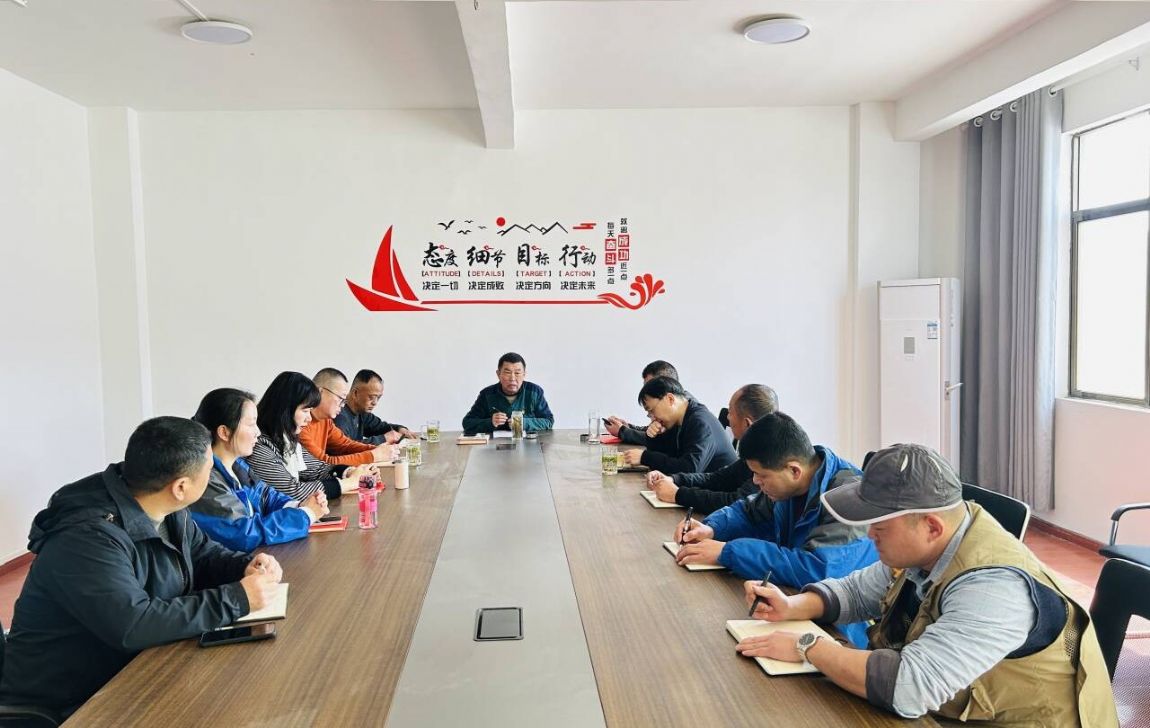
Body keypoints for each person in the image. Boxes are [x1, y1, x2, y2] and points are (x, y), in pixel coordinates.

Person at [736, 444, 1118, 726]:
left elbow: (909, 688)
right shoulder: (933, 543)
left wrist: (807, 645)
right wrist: (794, 606)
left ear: (931, 527)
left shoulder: (994, 588)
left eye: (879, 525)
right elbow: (859, 590)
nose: (869, 534)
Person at [0, 417, 284, 714]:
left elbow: (203, 554)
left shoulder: (167, 506)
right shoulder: (86, 538)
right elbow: (133, 624)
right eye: (209, 468)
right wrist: (236, 598)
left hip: (133, 671)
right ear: (181, 486)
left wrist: (246, 566)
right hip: (68, 704)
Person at [674, 411, 877, 646]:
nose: (755, 482)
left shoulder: (849, 500)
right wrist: (710, 528)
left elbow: (818, 570)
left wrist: (727, 551)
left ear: (794, 470)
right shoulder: (789, 485)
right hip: (790, 603)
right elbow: (748, 511)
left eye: (761, 475)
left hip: (841, 631)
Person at [189, 388, 329, 551]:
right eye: (251, 424)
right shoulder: (205, 479)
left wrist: (299, 505)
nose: (258, 432)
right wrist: (305, 515)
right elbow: (242, 534)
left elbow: (264, 495)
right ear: (224, 432)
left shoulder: (237, 464)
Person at [646, 383, 778, 513]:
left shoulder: (770, 459)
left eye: (730, 412)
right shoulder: (755, 449)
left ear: (747, 424)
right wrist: (674, 479)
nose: (727, 417)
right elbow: (716, 479)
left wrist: (677, 494)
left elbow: (736, 502)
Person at [247, 371, 376, 501]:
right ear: (285, 409)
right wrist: (349, 483)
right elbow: (293, 491)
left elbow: (318, 468)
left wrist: (350, 472)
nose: (309, 418)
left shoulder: (287, 439)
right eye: (305, 410)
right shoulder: (258, 446)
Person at [619, 376, 735, 475]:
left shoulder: (700, 422)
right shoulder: (678, 420)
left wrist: (645, 457)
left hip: (722, 492)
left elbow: (689, 469)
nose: (652, 417)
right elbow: (670, 457)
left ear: (670, 399)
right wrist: (656, 436)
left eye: (651, 410)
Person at [298, 368, 396, 466]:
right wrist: (373, 456)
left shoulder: (326, 420)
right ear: (320, 393)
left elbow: (345, 445)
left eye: (344, 401)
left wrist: (377, 449)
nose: (342, 405)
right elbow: (323, 464)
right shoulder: (301, 424)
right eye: (340, 398)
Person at [462, 352, 554, 433]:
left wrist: (524, 423)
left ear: (524, 374)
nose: (512, 378)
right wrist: (490, 422)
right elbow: (467, 423)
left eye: (517, 373)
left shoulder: (534, 392)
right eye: (507, 373)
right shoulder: (487, 394)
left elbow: (549, 421)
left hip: (529, 444)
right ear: (498, 374)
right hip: (495, 445)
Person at [604, 360, 684, 454]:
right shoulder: (671, 406)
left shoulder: (686, 411)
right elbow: (653, 432)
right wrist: (628, 427)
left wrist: (622, 431)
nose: (646, 392)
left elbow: (659, 441)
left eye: (650, 386)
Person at [334, 369, 411, 444]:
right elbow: (346, 448)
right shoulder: (339, 416)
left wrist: (399, 429)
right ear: (355, 393)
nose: (375, 403)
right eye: (372, 397)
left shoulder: (361, 412)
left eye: (378, 397)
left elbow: (380, 427)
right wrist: (384, 439)